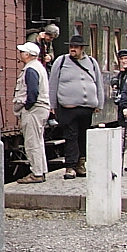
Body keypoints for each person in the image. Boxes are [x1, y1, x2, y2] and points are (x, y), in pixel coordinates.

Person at [49, 34, 105, 179]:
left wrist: (99, 103)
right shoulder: (61, 61)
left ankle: (81, 164)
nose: (72, 49)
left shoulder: (91, 62)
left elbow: (98, 83)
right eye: (71, 47)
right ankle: (70, 166)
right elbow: (53, 84)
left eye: (76, 47)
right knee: (70, 136)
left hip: (87, 107)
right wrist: (52, 104)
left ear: (82, 49)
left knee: (83, 136)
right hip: (68, 107)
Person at [14, 42, 51, 183]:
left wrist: (27, 107)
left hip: (34, 110)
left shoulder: (30, 69)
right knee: (38, 141)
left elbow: (33, 92)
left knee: (32, 142)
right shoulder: (38, 67)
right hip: (41, 108)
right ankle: (41, 170)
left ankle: (36, 173)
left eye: (22, 52)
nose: (20, 54)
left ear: (27, 54)